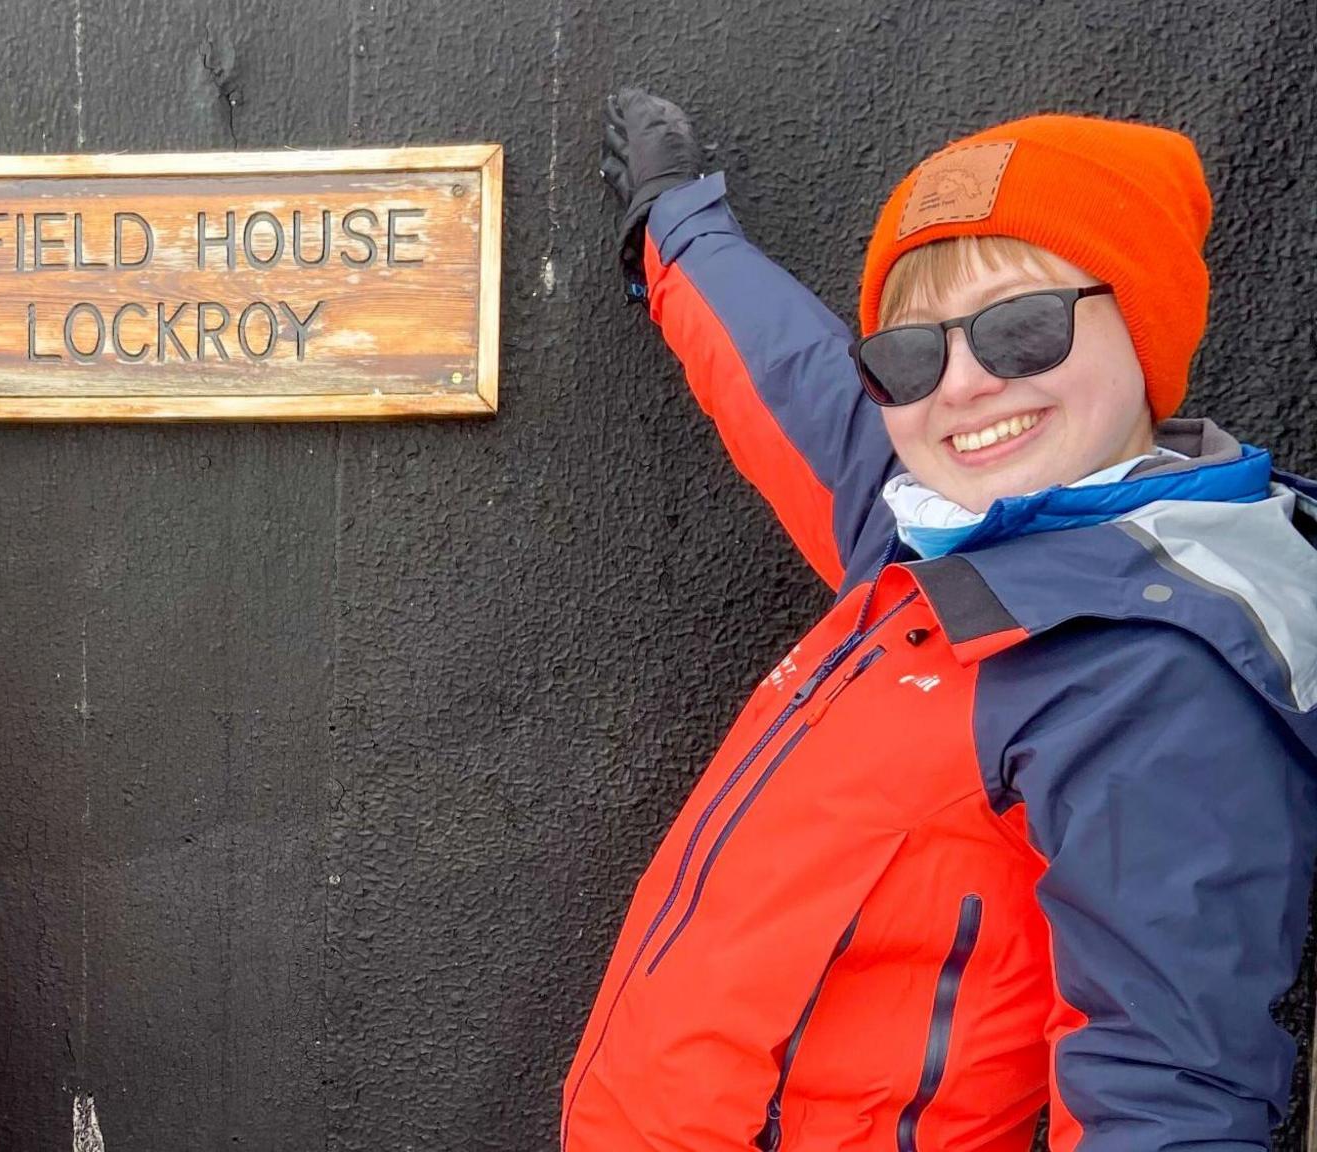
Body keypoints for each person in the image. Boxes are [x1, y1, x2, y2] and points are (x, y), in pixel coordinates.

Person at [563, 92, 1317, 1150]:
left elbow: (1165, 1095)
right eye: (911, 353)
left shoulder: (1153, 672)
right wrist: (674, 227)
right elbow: (783, 375)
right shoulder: (934, 537)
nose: (960, 384)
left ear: (1139, 326)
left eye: (1020, 329)